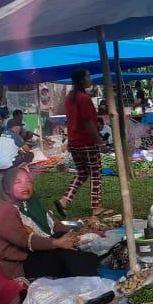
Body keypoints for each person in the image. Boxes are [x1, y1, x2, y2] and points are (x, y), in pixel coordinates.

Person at [0, 167, 99, 280]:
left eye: (28, 181)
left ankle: (87, 275)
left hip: (38, 254)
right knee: (63, 251)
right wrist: (56, 243)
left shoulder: (30, 202)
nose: (25, 186)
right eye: (18, 182)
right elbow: (25, 240)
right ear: (7, 187)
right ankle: (89, 278)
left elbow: (53, 222)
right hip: (21, 266)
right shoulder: (3, 212)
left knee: (66, 245)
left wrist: (71, 235)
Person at [56, 68, 108, 219]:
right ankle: (96, 207)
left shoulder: (69, 97)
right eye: (88, 76)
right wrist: (100, 142)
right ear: (81, 80)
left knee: (83, 173)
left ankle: (64, 200)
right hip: (87, 141)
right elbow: (88, 123)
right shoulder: (83, 98)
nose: (90, 79)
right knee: (96, 172)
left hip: (74, 142)